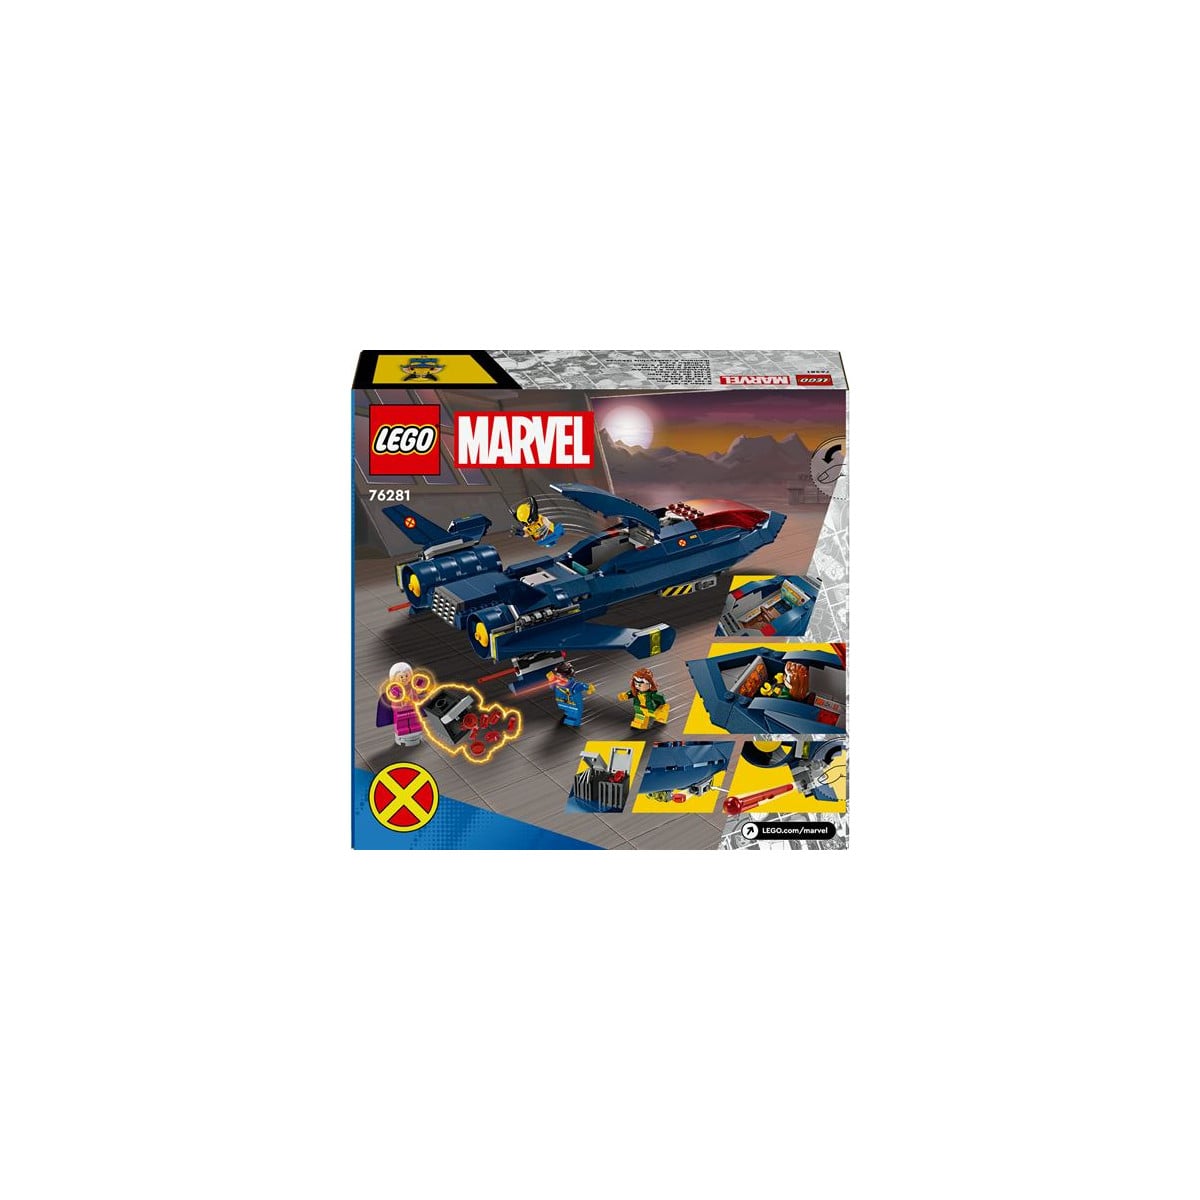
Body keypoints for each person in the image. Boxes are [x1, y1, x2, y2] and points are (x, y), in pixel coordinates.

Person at [375, 661, 431, 747]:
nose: (404, 678)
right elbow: (391, 695)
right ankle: (402, 733)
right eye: (401, 676)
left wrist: (420, 684)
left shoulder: (412, 686)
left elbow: (419, 691)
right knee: (401, 723)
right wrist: (395, 693)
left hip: (413, 708)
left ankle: (416, 731)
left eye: (406, 675)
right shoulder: (395, 688)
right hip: (400, 710)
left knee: (415, 721)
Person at [547, 661, 595, 728]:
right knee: (571, 712)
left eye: (558, 675)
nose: (557, 677)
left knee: (573, 713)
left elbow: (583, 686)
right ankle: (569, 719)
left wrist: (589, 688)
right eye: (556, 675)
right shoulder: (559, 684)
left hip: (568, 703)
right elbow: (552, 686)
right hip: (566, 703)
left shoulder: (573, 686)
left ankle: (572, 721)